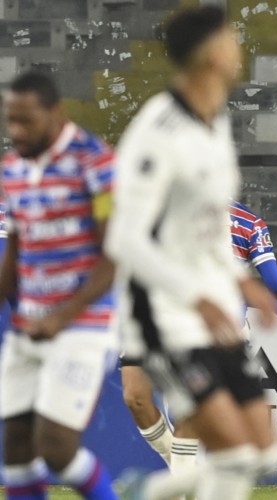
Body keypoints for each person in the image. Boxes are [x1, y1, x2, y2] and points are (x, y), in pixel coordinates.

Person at [107, 7, 277, 500]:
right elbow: (124, 238)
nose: (239, 49)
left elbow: (209, 227)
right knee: (232, 454)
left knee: (262, 454)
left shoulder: (216, 121)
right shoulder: (156, 132)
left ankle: (151, 490)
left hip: (214, 305)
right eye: (230, 40)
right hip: (166, 313)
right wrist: (193, 294)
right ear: (208, 54)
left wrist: (243, 279)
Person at [121, 198, 277, 476]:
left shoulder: (248, 223)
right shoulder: (158, 208)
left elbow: (273, 282)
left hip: (208, 327)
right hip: (152, 315)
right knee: (135, 397)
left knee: (190, 407)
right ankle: (179, 467)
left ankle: (182, 481)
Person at [0, 71, 119, 500]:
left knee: (55, 446)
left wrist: (62, 316)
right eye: (10, 120)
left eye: (26, 120)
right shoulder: (11, 169)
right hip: (28, 325)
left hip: (83, 324)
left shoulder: (96, 162)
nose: (16, 131)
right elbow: (15, 252)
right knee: (14, 445)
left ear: (56, 113)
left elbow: (113, 254)